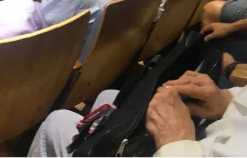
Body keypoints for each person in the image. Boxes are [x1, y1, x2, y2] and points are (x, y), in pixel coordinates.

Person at [27, 71, 245, 158]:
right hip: (221, 136)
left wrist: (176, 142)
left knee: (57, 122)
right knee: (110, 97)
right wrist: (229, 103)